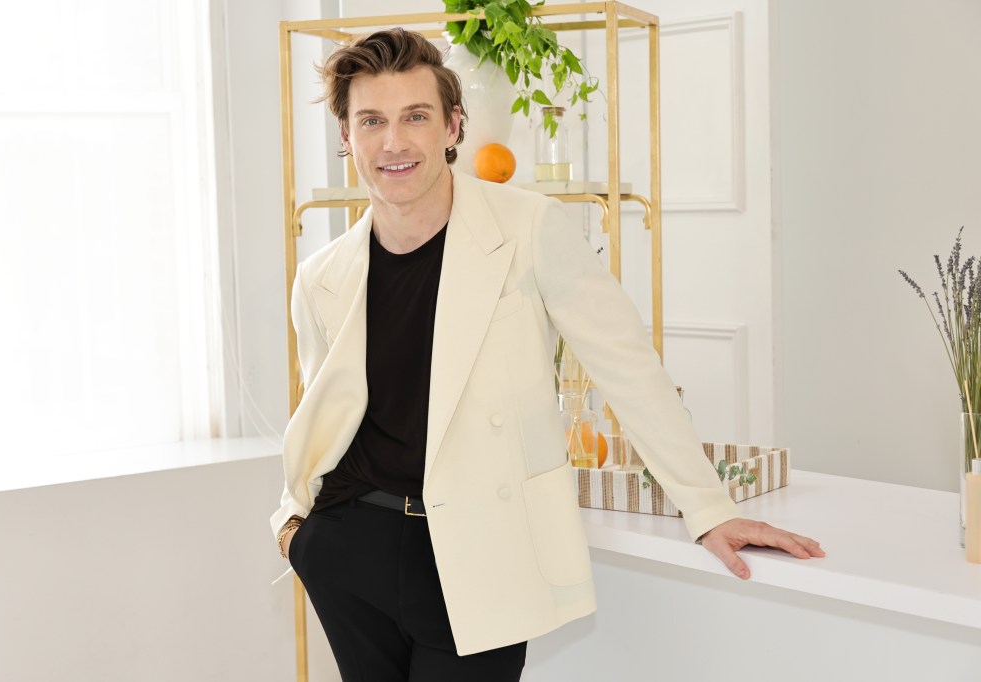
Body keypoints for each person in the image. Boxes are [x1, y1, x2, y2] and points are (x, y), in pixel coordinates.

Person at [271, 27, 824, 682]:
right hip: (349, 545)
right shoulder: (322, 276)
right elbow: (324, 418)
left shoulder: (528, 228)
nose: (393, 142)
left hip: (483, 549)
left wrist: (709, 509)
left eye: (414, 116)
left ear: (453, 126)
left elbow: (628, 368)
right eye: (371, 121)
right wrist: (296, 528)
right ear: (346, 137)